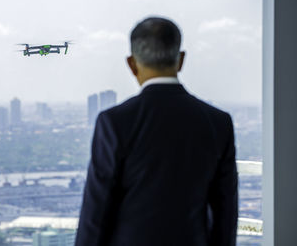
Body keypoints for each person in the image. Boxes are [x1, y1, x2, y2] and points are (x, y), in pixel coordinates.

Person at [75, 17, 238, 246]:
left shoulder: (114, 122)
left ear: (132, 65)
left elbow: (96, 211)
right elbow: (225, 211)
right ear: (181, 60)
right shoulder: (218, 122)